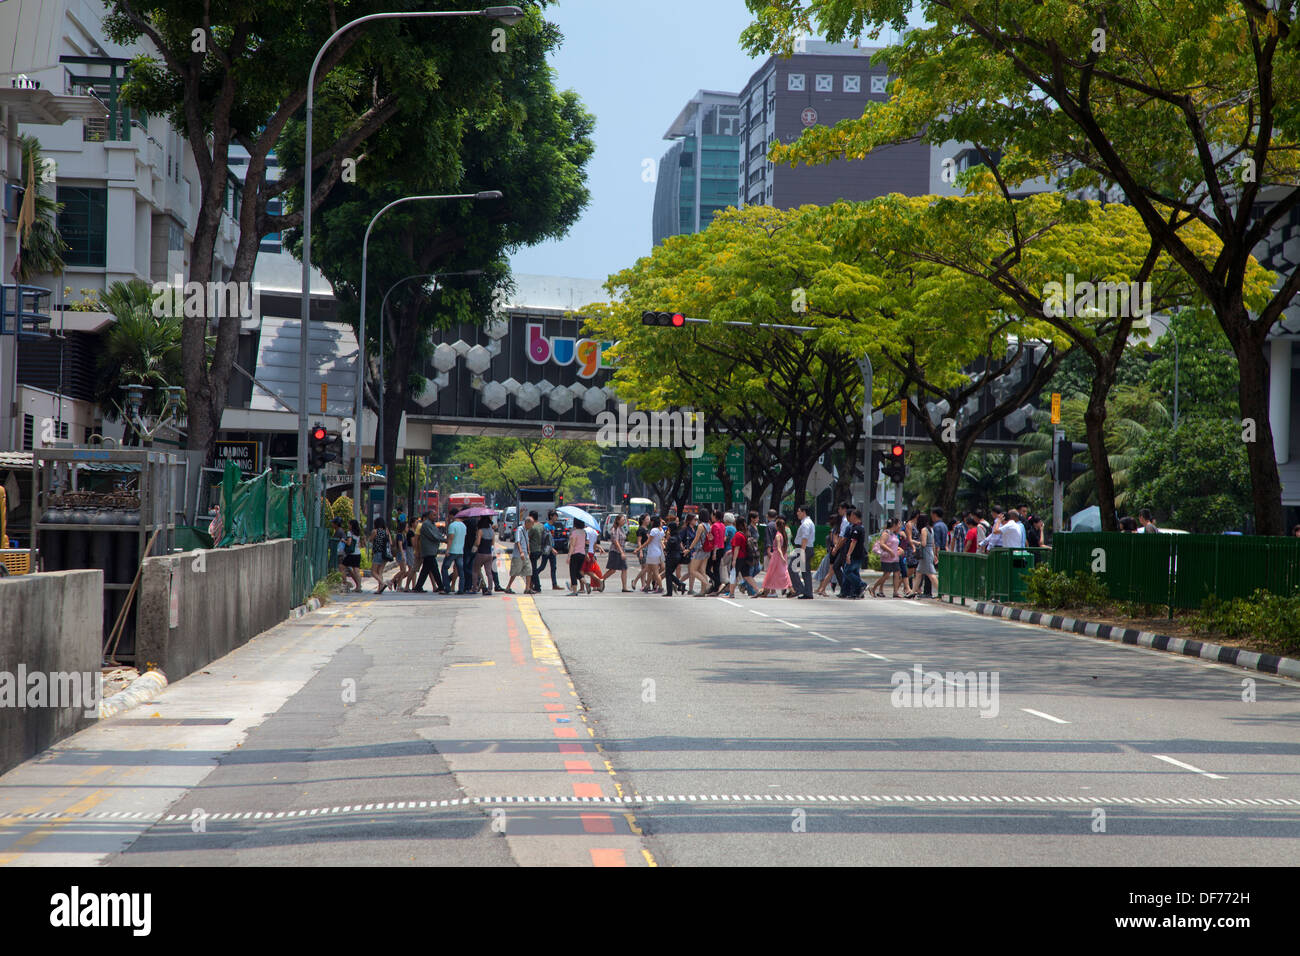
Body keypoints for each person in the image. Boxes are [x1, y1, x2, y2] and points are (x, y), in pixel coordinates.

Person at [870, 518, 910, 598]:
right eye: (897, 524)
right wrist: (890, 551)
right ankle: (873, 587)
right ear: (894, 525)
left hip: (895, 558)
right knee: (886, 575)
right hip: (887, 557)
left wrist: (898, 550)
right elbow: (882, 544)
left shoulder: (894, 534)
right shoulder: (886, 533)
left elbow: (895, 544)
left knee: (897, 573)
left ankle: (895, 592)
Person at [757, 517, 792, 597]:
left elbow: (778, 548)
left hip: (776, 556)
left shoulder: (778, 536)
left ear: (777, 526)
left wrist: (781, 557)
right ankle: (788, 589)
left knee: (772, 573)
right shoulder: (783, 534)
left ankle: (768, 591)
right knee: (781, 573)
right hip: (780, 555)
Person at [839, 509, 866, 599]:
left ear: (854, 516)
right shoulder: (859, 527)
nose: (850, 517)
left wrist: (848, 554)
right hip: (858, 554)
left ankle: (862, 584)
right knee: (855, 572)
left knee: (847, 571)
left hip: (855, 554)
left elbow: (853, 542)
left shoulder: (857, 528)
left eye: (851, 515)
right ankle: (857, 592)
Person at [504, 515, 533, 594]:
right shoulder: (519, 530)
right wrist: (521, 552)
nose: (532, 526)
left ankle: (527, 589)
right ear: (527, 523)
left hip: (526, 554)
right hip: (519, 555)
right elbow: (517, 541)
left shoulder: (526, 530)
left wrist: (528, 550)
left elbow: (527, 541)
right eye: (531, 524)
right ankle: (508, 587)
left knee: (529, 571)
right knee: (515, 572)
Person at [467, 515, 495, 596]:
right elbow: (492, 543)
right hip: (489, 554)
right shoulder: (492, 531)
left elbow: (478, 543)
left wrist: (475, 542)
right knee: (489, 572)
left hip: (480, 553)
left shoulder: (480, 531)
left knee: (475, 571)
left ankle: (474, 588)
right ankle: (489, 590)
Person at [793, 504, 816, 599]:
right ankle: (808, 592)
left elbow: (805, 538)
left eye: (799, 511)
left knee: (792, 568)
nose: (797, 513)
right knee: (805, 571)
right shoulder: (807, 522)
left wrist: (802, 552)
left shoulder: (806, 523)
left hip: (803, 548)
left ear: (804, 512)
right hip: (806, 548)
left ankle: (800, 589)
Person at [440, 508, 465, 594]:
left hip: (452, 551)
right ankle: (461, 589)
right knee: (461, 571)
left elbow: (450, 539)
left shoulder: (452, 525)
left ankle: (447, 588)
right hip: (460, 551)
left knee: (444, 568)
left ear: (452, 515)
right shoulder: (463, 525)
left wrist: (447, 550)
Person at [687, 513, 712, 595]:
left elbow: (696, 539)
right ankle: (702, 591)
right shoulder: (709, 525)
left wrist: (689, 548)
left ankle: (707, 585)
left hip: (700, 550)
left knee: (692, 570)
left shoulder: (701, 526)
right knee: (702, 571)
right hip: (707, 550)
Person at [814, 515, 839, 596]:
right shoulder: (834, 531)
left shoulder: (833, 531)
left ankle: (821, 588)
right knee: (828, 572)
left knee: (826, 572)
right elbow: (835, 543)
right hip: (832, 554)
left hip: (829, 554)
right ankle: (822, 589)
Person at [605, 514, 631, 591]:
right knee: (612, 570)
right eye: (623, 520)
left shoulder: (621, 529)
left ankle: (624, 587)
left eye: (625, 520)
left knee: (624, 568)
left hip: (621, 551)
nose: (624, 522)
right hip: (615, 552)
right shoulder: (615, 529)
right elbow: (616, 542)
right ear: (618, 521)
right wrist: (621, 552)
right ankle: (600, 580)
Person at [914, 512, 937, 599]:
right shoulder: (931, 529)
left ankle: (940, 592)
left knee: (931, 574)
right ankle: (912, 592)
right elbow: (933, 543)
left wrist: (914, 542)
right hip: (930, 552)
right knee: (918, 573)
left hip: (925, 553)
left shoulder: (924, 530)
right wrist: (934, 554)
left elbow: (923, 543)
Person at [368, 516, 393, 594]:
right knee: (380, 572)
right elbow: (391, 543)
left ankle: (383, 583)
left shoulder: (375, 531)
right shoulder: (386, 531)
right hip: (385, 554)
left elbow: (370, 540)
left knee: (373, 572)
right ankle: (380, 589)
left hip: (378, 553)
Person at [566, 518, 589, 595]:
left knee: (572, 572)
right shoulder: (583, 532)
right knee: (577, 572)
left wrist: (569, 556)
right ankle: (585, 582)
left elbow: (572, 545)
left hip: (575, 554)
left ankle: (574, 591)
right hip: (582, 554)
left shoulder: (574, 533)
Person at [662, 520, 685, 595]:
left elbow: (667, 549)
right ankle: (679, 584)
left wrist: (665, 544)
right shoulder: (678, 537)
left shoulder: (671, 539)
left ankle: (670, 591)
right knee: (669, 573)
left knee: (668, 574)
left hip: (671, 557)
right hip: (677, 557)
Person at [341, 519, 364, 592]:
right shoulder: (358, 533)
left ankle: (345, 583)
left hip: (351, 554)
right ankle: (359, 586)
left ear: (351, 525)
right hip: (358, 553)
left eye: (349, 524)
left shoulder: (349, 533)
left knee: (341, 567)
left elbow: (349, 543)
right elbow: (359, 544)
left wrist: (343, 540)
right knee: (356, 570)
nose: (348, 526)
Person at [706, 510, 726, 594]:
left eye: (712, 515)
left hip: (716, 549)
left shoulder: (714, 526)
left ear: (715, 516)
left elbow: (716, 540)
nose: (711, 517)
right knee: (716, 569)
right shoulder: (723, 525)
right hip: (721, 549)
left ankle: (718, 583)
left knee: (707, 569)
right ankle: (716, 588)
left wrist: (714, 552)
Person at [541, 511, 561, 590]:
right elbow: (546, 541)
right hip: (547, 550)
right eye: (555, 516)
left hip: (552, 549)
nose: (556, 518)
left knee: (553, 567)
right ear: (551, 516)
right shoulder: (546, 526)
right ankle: (533, 578)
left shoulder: (553, 527)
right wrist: (552, 549)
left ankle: (554, 585)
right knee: (542, 566)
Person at [527, 510, 544, 594]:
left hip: (533, 550)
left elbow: (527, 536)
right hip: (540, 549)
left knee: (533, 569)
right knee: (533, 568)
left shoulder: (533, 527)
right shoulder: (542, 526)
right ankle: (533, 585)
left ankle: (537, 586)